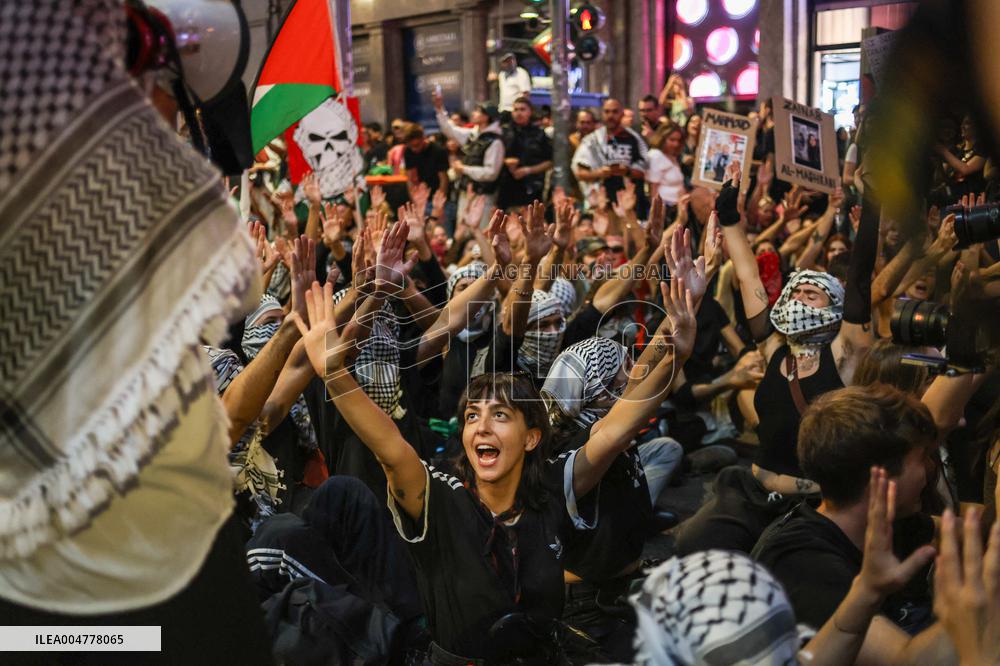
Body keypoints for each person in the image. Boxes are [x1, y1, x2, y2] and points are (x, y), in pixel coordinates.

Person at [290, 221, 697, 662]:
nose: (481, 426)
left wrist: (679, 347)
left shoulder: (553, 483)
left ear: (531, 436)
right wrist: (333, 373)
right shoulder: (443, 499)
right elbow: (390, 448)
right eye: (471, 416)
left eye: (499, 415)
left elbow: (618, 426)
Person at [674, 167, 878, 555]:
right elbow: (748, 272)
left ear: (834, 309)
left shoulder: (844, 356)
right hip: (752, 494)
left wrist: (872, 207)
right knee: (691, 545)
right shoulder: (773, 346)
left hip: (812, 508)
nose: (799, 295)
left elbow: (860, 283)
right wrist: (729, 213)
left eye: (812, 294)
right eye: (795, 289)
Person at [752, 384, 964, 663]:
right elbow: (906, 660)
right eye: (921, 458)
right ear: (880, 480)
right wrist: (972, 609)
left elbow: (962, 529)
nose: (929, 469)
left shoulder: (882, 523)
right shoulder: (805, 564)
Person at [433, 89, 504, 227]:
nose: (473, 113)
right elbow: (450, 130)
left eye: (478, 111)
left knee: (480, 232)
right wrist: (439, 109)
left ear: (486, 117)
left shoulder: (495, 142)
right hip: (466, 192)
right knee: (462, 232)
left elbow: (491, 173)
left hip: (483, 196)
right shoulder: (473, 135)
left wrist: (463, 169)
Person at [572, 98, 649, 214]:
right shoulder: (592, 140)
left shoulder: (634, 139)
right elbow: (580, 173)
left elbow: (645, 170)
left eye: (614, 112)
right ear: (602, 114)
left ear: (622, 113)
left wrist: (627, 171)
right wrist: (600, 173)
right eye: (607, 112)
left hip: (631, 205)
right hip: (601, 205)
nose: (610, 115)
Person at [498, 96, 553, 210]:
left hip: (532, 188)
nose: (518, 113)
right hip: (505, 188)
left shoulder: (539, 134)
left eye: (522, 109)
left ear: (530, 112)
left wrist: (528, 170)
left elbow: (550, 161)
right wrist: (504, 161)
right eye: (516, 110)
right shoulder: (503, 132)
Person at [646, 122, 686, 206]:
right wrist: (656, 211)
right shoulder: (655, 155)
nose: (676, 144)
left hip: (678, 205)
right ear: (662, 139)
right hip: (665, 207)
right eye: (672, 140)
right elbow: (653, 189)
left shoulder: (671, 155)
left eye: (678, 140)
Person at [403, 123, 450, 196]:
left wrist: (439, 200)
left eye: (417, 145)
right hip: (422, 195)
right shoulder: (408, 151)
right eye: (410, 146)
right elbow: (410, 179)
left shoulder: (438, 151)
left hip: (438, 192)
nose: (414, 149)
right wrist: (415, 200)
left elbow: (443, 179)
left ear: (423, 138)